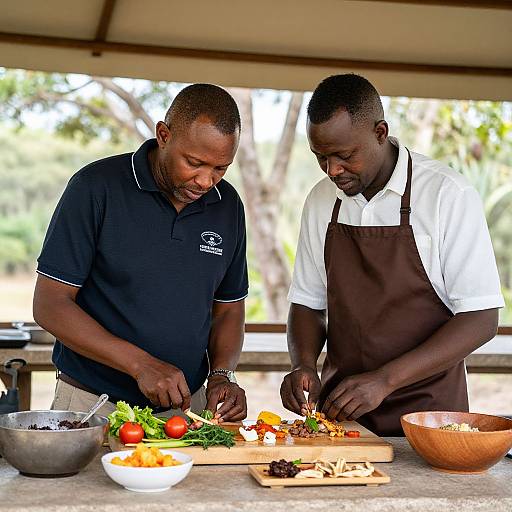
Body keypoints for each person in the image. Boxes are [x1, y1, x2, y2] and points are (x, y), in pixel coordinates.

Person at [280, 74, 504, 436]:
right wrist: (303, 363)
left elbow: (481, 319)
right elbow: (307, 303)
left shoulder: (447, 194)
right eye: (321, 157)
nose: (332, 170)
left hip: (431, 419)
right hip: (343, 418)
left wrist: (385, 380)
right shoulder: (322, 201)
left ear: (380, 132)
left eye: (345, 155)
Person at [33, 84, 249, 421]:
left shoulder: (228, 206)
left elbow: (229, 310)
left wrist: (222, 374)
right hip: (92, 403)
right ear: (163, 135)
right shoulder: (95, 188)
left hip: (185, 408)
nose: (207, 181)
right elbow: (50, 305)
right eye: (194, 162)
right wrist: (140, 364)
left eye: (220, 168)